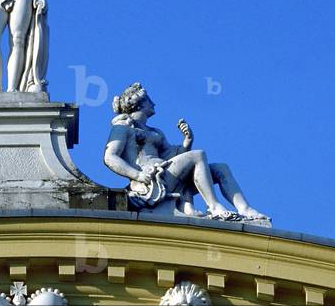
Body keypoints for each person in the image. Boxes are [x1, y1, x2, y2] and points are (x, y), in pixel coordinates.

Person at [103, 82, 268, 220]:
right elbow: (110, 157)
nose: (153, 103)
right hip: (151, 181)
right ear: (138, 103)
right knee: (198, 155)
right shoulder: (123, 128)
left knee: (221, 168)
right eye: (149, 100)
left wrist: (187, 141)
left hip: (166, 173)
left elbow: (174, 156)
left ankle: (245, 209)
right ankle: (214, 207)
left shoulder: (155, 132)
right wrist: (137, 175)